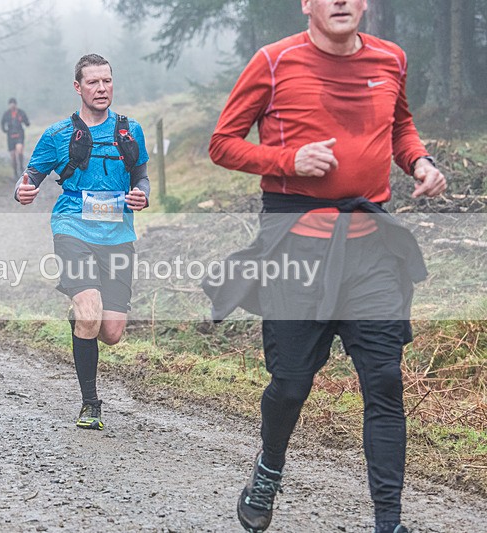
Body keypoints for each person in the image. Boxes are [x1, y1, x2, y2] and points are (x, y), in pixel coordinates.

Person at [204, 1, 446, 532]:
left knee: (383, 380)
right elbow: (222, 144)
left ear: (364, 4)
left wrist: (420, 161)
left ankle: (389, 521)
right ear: (306, 5)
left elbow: (400, 127)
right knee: (290, 384)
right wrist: (287, 161)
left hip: (371, 250)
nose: (339, 1)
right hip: (296, 251)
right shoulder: (273, 61)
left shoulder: (391, 60)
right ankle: (268, 469)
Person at [15, 54, 150, 430]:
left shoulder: (130, 130)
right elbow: (29, 178)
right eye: (93, 82)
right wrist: (21, 192)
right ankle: (91, 404)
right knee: (90, 308)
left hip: (118, 234)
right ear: (78, 87)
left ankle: (81, 317)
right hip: (72, 226)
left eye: (107, 81)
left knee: (112, 333)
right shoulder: (58, 134)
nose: (102, 88)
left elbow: (141, 176)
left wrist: (142, 194)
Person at [1, 97, 30, 178]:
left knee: (19, 150)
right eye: (11, 104)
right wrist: (4, 130)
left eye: (13, 104)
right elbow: (2, 123)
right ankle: (15, 172)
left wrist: (25, 121)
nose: (12, 106)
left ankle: (21, 168)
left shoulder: (21, 112)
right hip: (10, 135)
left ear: (16, 105)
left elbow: (27, 122)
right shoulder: (6, 114)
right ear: (9, 105)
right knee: (13, 155)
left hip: (19, 134)